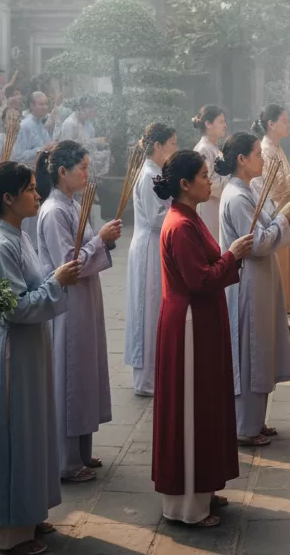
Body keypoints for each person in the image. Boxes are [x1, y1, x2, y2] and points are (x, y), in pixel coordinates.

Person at [0, 162, 81, 555]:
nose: (38, 195)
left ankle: (29, 513)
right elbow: (15, 308)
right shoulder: (0, 245)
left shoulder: (18, 235)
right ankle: (8, 532)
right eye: (31, 189)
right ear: (8, 198)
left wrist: (55, 279)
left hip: (28, 349)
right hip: (10, 354)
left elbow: (30, 288)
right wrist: (58, 282)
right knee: (12, 436)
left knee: (32, 432)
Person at [152, 150, 254, 528]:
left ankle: (204, 488)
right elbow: (199, 279)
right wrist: (232, 255)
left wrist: (228, 258)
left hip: (201, 320)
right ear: (184, 184)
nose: (210, 181)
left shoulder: (190, 217)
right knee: (191, 408)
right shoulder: (180, 225)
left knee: (206, 403)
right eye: (203, 175)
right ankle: (189, 504)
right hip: (189, 324)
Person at [35, 140, 122, 483]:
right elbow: (66, 264)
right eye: (82, 168)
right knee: (70, 375)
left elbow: (84, 247)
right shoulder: (53, 211)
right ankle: (67, 460)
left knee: (85, 371)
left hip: (85, 297)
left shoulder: (71, 204)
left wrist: (103, 238)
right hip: (67, 300)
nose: (87, 173)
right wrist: (99, 239)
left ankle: (82, 451)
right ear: (62, 171)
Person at [218, 133, 290, 446]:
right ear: (241, 159)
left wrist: (282, 216)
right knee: (250, 350)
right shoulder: (237, 197)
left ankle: (255, 420)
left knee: (262, 347)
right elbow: (258, 243)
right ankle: (245, 426)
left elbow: (265, 227)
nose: (262, 158)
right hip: (247, 280)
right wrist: (284, 218)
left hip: (261, 278)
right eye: (256, 153)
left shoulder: (249, 189)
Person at [125, 122, 178, 397]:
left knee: (155, 306)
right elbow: (156, 217)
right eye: (172, 144)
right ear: (157, 145)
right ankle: (146, 379)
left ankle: (156, 373)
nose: (175, 149)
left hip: (156, 243)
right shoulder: (149, 175)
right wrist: (179, 208)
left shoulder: (157, 173)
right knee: (147, 308)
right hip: (149, 245)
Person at [252, 103, 290, 317]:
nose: (288, 124)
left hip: (282, 211)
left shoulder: (276, 148)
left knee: (285, 261)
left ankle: (284, 305)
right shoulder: (267, 150)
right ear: (271, 124)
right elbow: (278, 188)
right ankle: (277, 310)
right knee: (278, 262)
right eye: (284, 121)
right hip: (273, 213)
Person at [192, 105, 227, 239]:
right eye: (221, 121)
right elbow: (206, 182)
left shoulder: (214, 148)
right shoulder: (203, 149)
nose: (224, 125)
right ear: (208, 124)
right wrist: (231, 184)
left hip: (216, 205)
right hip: (208, 207)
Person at [57, 96, 108, 176]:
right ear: (80, 109)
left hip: (87, 156)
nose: (89, 115)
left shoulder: (88, 123)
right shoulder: (69, 124)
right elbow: (67, 148)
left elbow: (89, 143)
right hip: (73, 161)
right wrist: (95, 142)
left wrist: (99, 143)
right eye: (88, 111)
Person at [16, 92, 52, 164]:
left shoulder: (40, 124)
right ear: (32, 106)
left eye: (46, 104)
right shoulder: (25, 126)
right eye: (41, 104)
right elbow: (19, 156)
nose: (45, 107)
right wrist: (41, 149)